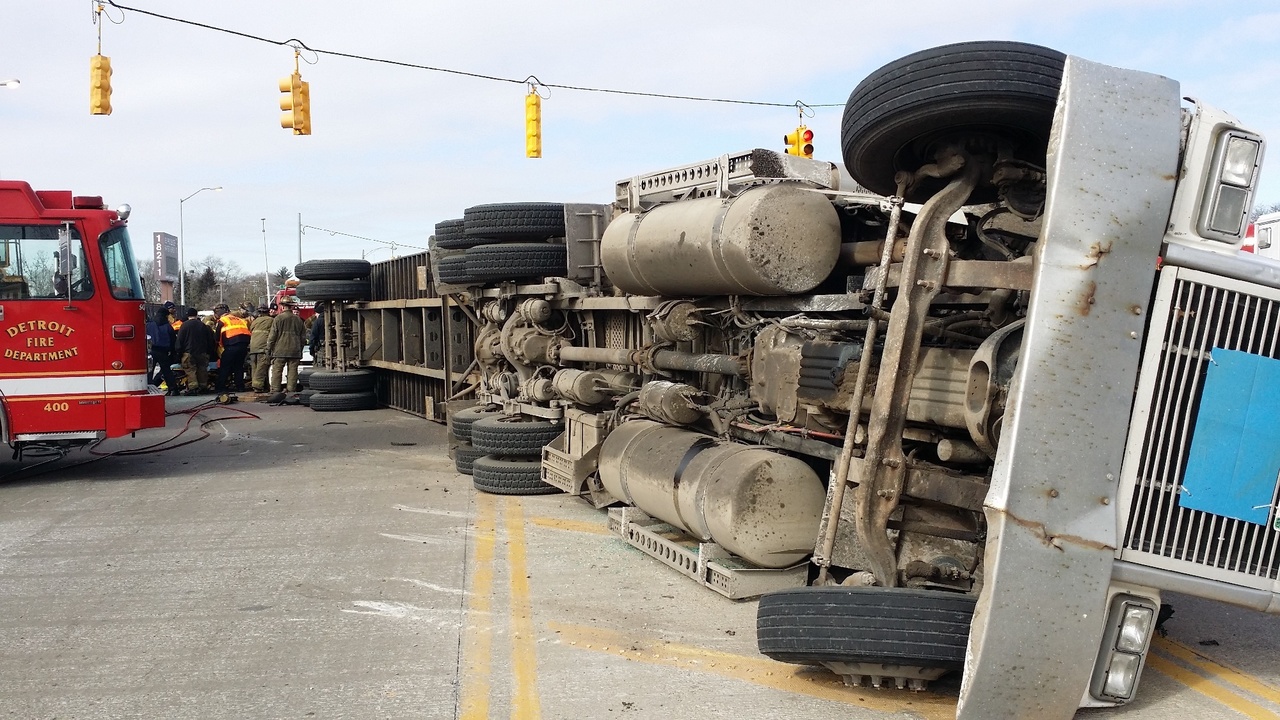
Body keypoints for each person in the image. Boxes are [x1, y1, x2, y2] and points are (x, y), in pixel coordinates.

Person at [266, 298, 306, 393]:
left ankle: (275, 390)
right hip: (294, 350)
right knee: (293, 371)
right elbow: (303, 337)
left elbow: (272, 336)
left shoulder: (278, 318)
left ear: (282, 306)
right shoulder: (298, 320)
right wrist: (300, 349)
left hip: (280, 350)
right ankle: (291, 390)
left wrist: (269, 349)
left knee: (277, 370)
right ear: (291, 306)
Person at [175, 307, 214, 395]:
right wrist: (209, 352)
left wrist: (178, 354)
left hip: (189, 352)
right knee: (202, 369)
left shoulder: (184, 325)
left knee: (190, 370)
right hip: (202, 352)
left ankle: (193, 388)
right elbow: (209, 340)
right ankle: (203, 387)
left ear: (188, 315)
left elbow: (179, 341)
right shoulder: (203, 325)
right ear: (196, 315)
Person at [214, 302, 251, 393]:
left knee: (225, 367)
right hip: (244, 346)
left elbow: (217, 337)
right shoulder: (240, 319)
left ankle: (221, 387)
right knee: (238, 367)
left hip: (231, 345)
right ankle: (240, 387)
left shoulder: (222, 320)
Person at [149, 305, 180, 395]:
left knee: (150, 370)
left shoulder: (150, 325)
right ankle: (173, 389)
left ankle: (149, 386)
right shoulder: (167, 326)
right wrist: (173, 352)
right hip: (163, 351)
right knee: (167, 371)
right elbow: (173, 340)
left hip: (151, 350)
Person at [248, 304, 274, 393]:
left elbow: (251, 330)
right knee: (262, 367)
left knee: (254, 367)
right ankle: (257, 386)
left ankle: (259, 386)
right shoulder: (271, 320)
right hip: (263, 348)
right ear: (268, 311)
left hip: (253, 347)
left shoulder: (255, 321)